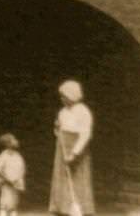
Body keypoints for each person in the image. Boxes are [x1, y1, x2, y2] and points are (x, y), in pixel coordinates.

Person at [49, 80, 94, 216]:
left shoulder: (83, 111)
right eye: (61, 96)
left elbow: (85, 135)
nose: (62, 99)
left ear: (72, 95)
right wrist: (57, 129)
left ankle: (79, 210)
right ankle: (62, 209)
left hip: (77, 150)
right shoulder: (62, 112)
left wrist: (74, 154)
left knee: (77, 180)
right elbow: (59, 132)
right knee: (62, 179)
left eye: (64, 96)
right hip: (62, 148)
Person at [0, 132, 26, 216]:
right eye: (14, 140)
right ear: (8, 144)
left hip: (15, 184)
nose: (16, 141)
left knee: (13, 206)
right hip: (7, 185)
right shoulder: (4, 155)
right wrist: (8, 179)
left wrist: (18, 181)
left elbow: (21, 169)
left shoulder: (17, 155)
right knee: (5, 206)